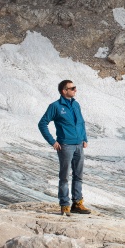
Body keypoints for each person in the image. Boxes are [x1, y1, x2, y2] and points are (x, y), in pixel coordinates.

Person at [38, 79, 92, 216]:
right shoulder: (55, 106)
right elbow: (42, 124)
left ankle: (77, 203)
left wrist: (84, 138)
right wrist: (52, 141)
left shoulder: (76, 104)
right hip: (65, 146)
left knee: (78, 175)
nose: (75, 90)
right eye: (72, 88)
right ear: (64, 91)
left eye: (75, 87)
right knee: (64, 177)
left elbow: (81, 122)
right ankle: (64, 205)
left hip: (79, 144)